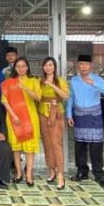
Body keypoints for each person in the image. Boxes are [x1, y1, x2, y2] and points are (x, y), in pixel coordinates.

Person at [66, 54, 104, 187]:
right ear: (77, 66)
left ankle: (98, 174)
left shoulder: (97, 79)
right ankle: (82, 171)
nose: (83, 67)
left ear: (91, 65)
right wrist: (69, 115)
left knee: (96, 145)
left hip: (94, 116)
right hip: (79, 115)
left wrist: (95, 84)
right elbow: (71, 98)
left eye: (86, 64)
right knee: (79, 145)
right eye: (81, 64)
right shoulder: (74, 80)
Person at [1, 57, 42, 187]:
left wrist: (25, 88)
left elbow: (38, 97)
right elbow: (4, 100)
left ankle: (29, 174)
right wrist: (13, 115)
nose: (21, 68)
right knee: (16, 148)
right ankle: (18, 173)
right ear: (15, 68)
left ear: (27, 67)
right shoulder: (9, 82)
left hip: (29, 117)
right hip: (14, 118)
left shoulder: (34, 81)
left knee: (29, 149)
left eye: (23, 66)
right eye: (18, 66)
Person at [38, 57, 69, 190]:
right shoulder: (40, 81)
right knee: (47, 143)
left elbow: (65, 96)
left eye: (50, 65)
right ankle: (51, 170)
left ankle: (60, 174)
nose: (48, 68)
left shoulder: (60, 80)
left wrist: (52, 86)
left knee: (56, 143)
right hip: (42, 113)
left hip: (56, 112)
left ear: (54, 67)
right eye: (46, 65)